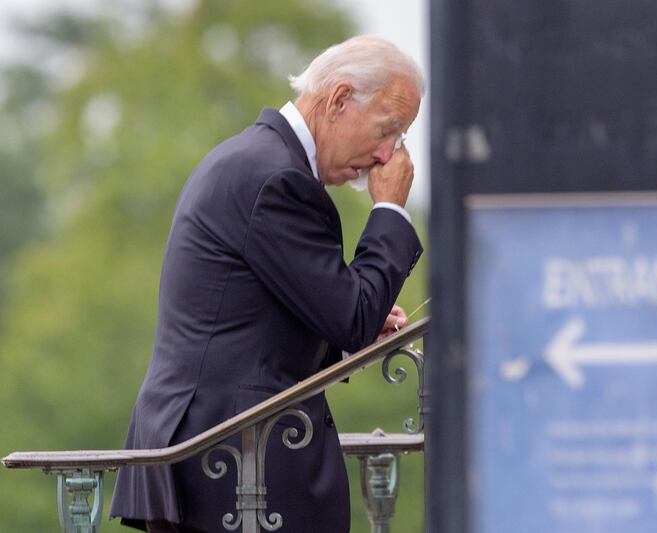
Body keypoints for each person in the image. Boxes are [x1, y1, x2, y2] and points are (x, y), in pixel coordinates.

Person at [109, 35, 424, 533]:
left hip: (211, 460)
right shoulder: (277, 178)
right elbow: (352, 317)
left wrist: (346, 338)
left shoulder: (254, 160)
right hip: (232, 474)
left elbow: (249, 330)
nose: (388, 156)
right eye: (390, 130)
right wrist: (389, 211)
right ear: (339, 99)